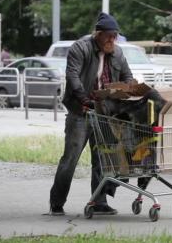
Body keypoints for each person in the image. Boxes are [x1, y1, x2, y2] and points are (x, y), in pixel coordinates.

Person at [49, 12, 133, 216]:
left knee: (102, 158)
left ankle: (99, 201)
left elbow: (128, 76)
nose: (112, 39)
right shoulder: (81, 47)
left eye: (115, 36)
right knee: (71, 158)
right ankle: (57, 202)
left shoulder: (118, 53)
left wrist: (129, 89)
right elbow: (73, 75)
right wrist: (83, 99)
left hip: (105, 113)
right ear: (98, 34)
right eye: (109, 35)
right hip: (81, 111)